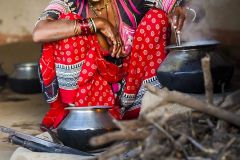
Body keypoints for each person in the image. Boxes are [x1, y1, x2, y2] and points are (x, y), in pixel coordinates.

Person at [33, 0, 186, 129]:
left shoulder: (132, 2)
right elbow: (39, 32)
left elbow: (179, 5)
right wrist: (96, 23)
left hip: (132, 88)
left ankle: (137, 110)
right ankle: (77, 115)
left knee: (157, 18)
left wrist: (180, 11)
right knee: (67, 28)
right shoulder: (69, 4)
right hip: (89, 96)